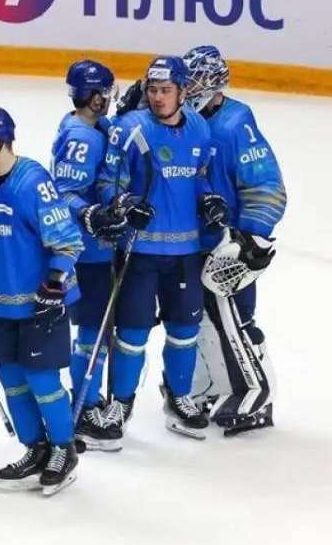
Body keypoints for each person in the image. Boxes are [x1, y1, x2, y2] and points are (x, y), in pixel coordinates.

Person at [0, 107, 84, 495]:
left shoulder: (33, 182)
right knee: (12, 378)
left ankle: (64, 449)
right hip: (2, 305)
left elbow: (68, 239)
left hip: (40, 303)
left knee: (42, 379)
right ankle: (36, 447)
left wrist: (55, 281)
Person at [98, 56, 226, 440]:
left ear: (184, 92)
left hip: (185, 253)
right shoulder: (130, 129)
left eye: (165, 90)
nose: (157, 98)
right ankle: (121, 402)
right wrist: (122, 204)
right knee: (132, 334)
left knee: (184, 330)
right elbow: (108, 182)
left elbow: (200, 176)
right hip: (140, 253)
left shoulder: (200, 129)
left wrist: (208, 200)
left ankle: (180, 396)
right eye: (152, 90)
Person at [182, 45, 286, 434]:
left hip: (230, 243)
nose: (187, 87)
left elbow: (265, 182)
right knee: (202, 317)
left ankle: (255, 394)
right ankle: (213, 385)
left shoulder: (235, 123)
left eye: (194, 79)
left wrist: (253, 238)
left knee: (234, 317)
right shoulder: (191, 120)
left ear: (212, 80)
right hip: (197, 239)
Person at [51, 60, 126, 451]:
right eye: (107, 93)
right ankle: (85, 407)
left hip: (92, 246)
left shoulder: (89, 128)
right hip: (87, 251)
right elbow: (63, 193)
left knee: (95, 328)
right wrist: (90, 213)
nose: (110, 100)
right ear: (94, 96)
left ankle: (85, 401)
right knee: (91, 331)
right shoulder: (85, 136)